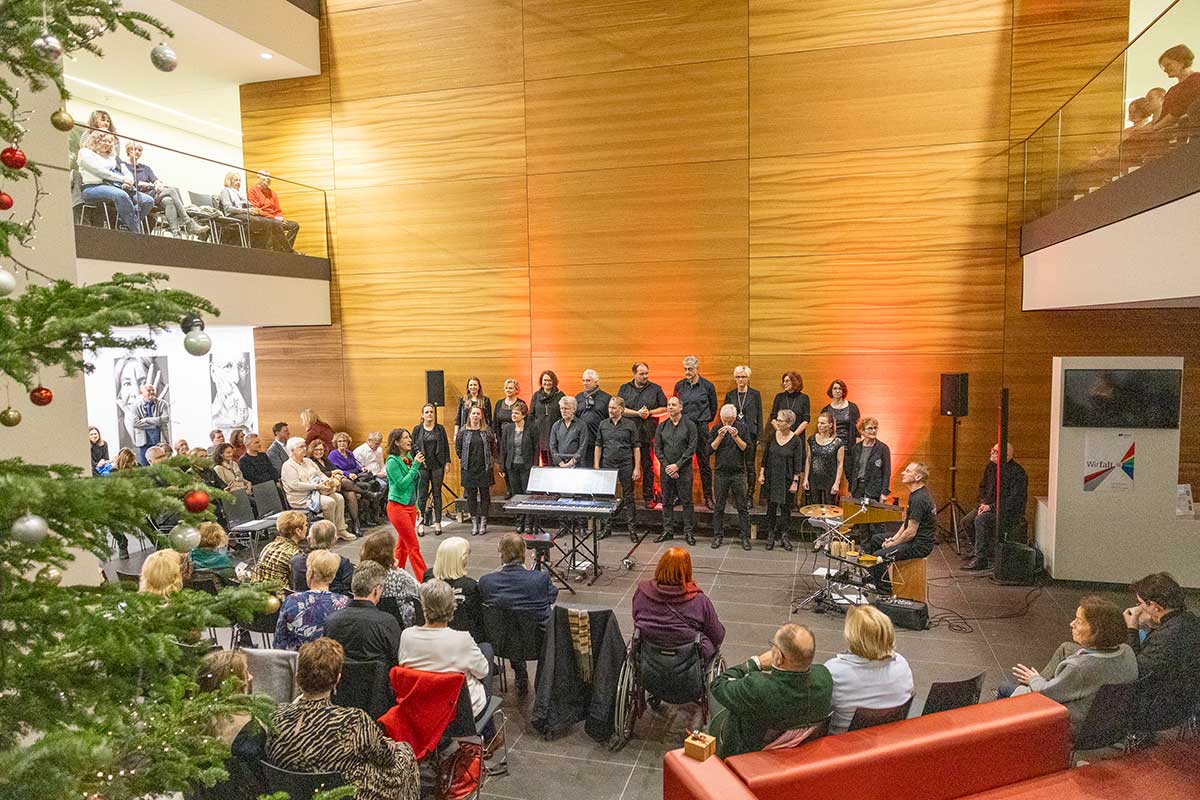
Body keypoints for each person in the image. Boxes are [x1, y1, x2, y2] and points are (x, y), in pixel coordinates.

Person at [267, 638, 419, 800]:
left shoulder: (276, 715)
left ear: (298, 677)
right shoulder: (353, 720)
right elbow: (386, 758)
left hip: (290, 792)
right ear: (337, 678)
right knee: (404, 753)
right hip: (341, 793)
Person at [1003, 596, 1137, 738]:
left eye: (1079, 622)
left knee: (1006, 688)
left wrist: (1034, 678)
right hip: (1111, 725)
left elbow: (1044, 693)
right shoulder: (1128, 651)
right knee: (1066, 648)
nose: (1071, 624)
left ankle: (1003, 737)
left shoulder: (1079, 668)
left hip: (1074, 727)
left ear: (1097, 630)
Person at [708, 623, 832, 758]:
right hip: (799, 754)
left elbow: (718, 685)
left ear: (778, 656)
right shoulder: (824, 677)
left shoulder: (757, 687)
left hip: (747, 757)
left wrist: (756, 663)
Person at [478, 534, 558, 696]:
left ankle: (520, 672)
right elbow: (552, 596)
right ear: (524, 553)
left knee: (512, 624)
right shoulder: (540, 578)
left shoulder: (487, 581)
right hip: (538, 642)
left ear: (501, 554)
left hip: (501, 643)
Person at [399, 580, 492, 717]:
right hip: (459, 716)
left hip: (421, 710)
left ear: (423, 608)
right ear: (452, 608)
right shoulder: (462, 640)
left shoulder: (407, 636)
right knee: (486, 649)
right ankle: (489, 733)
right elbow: (483, 672)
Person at [824, 604, 913, 734]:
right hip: (888, 742)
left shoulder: (834, 671)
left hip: (842, 747)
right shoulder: (901, 664)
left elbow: (818, 711)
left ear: (852, 637)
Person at [1124, 572, 1200, 721]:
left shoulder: (1166, 636)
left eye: (1141, 603)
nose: (1139, 607)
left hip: (1161, 707)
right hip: (1189, 697)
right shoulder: (1192, 621)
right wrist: (1155, 624)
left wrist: (1132, 627)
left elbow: (1135, 670)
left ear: (1154, 606)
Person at [195, 650, 267, 800]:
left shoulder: (191, 721)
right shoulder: (249, 731)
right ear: (235, 685)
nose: (251, 677)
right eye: (247, 672)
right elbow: (261, 780)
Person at [632, 547, 724, 663]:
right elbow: (717, 635)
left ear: (660, 566)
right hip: (689, 662)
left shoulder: (642, 592)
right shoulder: (699, 600)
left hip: (649, 657)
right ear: (687, 570)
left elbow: (636, 618)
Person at [118, 140, 209, 239]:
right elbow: (133, 182)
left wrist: (158, 184)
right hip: (137, 194)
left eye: (140, 150)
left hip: (152, 194)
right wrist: (152, 186)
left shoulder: (145, 168)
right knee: (171, 191)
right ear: (129, 150)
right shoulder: (123, 165)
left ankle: (176, 233)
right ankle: (188, 223)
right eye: (135, 149)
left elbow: (155, 179)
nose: (138, 152)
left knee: (169, 201)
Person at [867, 463, 936, 592]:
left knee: (877, 558)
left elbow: (911, 532)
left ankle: (885, 593)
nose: (903, 473)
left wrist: (893, 544)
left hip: (919, 545)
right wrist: (894, 539)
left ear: (918, 477)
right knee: (876, 539)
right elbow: (906, 524)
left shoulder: (919, 499)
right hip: (913, 539)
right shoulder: (915, 494)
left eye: (907, 471)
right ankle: (876, 579)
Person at [324, 562, 405, 668]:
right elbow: (397, 659)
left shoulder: (331, 621)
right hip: (378, 682)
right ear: (376, 590)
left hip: (341, 682)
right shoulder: (387, 622)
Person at [963, 443, 1029, 571]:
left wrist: (991, 507)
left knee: (980, 520)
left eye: (995, 451)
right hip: (988, 507)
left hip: (1008, 511)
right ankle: (981, 550)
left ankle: (981, 559)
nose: (991, 452)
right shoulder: (991, 467)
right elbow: (983, 487)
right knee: (966, 521)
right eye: (992, 450)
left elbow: (1014, 500)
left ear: (1006, 455)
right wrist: (982, 503)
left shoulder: (1018, 472)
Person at [77, 130, 153, 233]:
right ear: (95, 140)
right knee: (121, 195)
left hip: (114, 186)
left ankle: (123, 223)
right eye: (104, 141)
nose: (108, 144)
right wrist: (122, 179)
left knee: (147, 201)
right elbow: (100, 172)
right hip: (92, 187)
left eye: (110, 142)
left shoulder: (111, 157)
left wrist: (128, 181)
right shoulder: (85, 152)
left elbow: (126, 171)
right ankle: (136, 232)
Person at [276, 550, 352, 651]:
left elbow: (279, 639)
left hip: (298, 661)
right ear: (333, 577)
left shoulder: (292, 600)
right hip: (332, 662)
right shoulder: (345, 603)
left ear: (310, 573)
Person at [280, 436, 352, 541]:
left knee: (339, 497)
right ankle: (329, 534)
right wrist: (316, 486)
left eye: (304, 446)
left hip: (317, 493)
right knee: (329, 502)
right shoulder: (288, 466)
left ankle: (340, 529)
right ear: (292, 450)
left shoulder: (308, 461)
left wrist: (328, 482)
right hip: (301, 498)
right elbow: (295, 485)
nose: (304, 449)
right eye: (301, 447)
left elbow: (320, 474)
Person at [618, 362, 668, 508]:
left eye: (647, 373)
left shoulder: (656, 389)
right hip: (629, 435)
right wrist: (637, 413)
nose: (645, 376)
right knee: (629, 467)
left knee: (648, 466)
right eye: (641, 374)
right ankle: (628, 498)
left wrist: (650, 413)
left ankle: (648, 497)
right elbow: (620, 408)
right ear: (634, 374)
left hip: (648, 435)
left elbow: (665, 408)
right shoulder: (624, 388)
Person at [595, 396, 642, 540]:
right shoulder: (603, 424)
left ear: (621, 409)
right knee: (607, 496)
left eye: (614, 408)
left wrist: (637, 468)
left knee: (628, 496)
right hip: (608, 463)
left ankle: (632, 529)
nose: (610, 410)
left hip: (626, 463)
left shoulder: (630, 425)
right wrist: (596, 465)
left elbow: (636, 447)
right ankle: (607, 527)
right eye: (609, 407)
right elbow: (598, 445)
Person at [675, 356, 718, 507]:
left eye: (690, 369)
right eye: (685, 369)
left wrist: (704, 420)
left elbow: (713, 408)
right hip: (684, 428)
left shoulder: (708, 386)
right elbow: (676, 406)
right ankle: (679, 496)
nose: (688, 372)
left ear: (697, 369)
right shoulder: (679, 386)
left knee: (704, 462)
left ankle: (708, 497)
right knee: (681, 462)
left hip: (701, 427)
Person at [422, 536, 484, 641]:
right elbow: (477, 620)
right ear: (462, 559)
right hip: (463, 639)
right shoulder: (470, 586)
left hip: (431, 635)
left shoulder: (428, 577)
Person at [655, 397, 698, 545]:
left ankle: (689, 532)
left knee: (687, 501)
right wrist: (668, 466)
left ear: (681, 407)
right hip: (666, 470)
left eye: (673, 405)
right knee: (666, 501)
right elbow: (657, 449)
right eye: (668, 405)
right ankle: (667, 531)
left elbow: (691, 448)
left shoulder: (690, 426)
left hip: (683, 470)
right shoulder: (661, 426)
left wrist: (677, 466)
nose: (670, 407)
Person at [385, 427, 427, 577]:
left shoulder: (409, 456)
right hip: (397, 507)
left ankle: (396, 575)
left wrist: (416, 506)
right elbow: (402, 484)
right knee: (413, 545)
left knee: (402, 545)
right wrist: (415, 466)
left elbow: (412, 486)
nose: (410, 440)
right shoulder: (392, 462)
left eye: (409, 437)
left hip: (410, 506)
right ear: (396, 442)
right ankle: (424, 579)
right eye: (405, 438)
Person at [759, 409, 803, 552]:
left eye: (780, 420)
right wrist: (762, 474)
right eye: (777, 420)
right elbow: (765, 457)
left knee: (785, 509)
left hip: (787, 478)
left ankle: (784, 535)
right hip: (772, 476)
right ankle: (770, 535)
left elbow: (798, 462)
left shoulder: (796, 440)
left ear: (789, 423)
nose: (777, 422)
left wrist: (795, 481)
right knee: (771, 508)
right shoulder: (772, 435)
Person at [709, 404, 751, 550]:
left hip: (738, 473)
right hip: (721, 473)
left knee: (742, 507)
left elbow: (746, 448)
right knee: (719, 506)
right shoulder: (716, 428)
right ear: (721, 418)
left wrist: (735, 436)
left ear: (734, 418)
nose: (727, 424)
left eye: (730, 421)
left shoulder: (743, 428)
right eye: (725, 421)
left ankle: (744, 537)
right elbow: (710, 450)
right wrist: (720, 436)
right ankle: (717, 536)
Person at [361, 530, 422, 629]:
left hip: (371, 624)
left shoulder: (361, 575)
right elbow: (420, 591)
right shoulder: (398, 577)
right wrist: (398, 569)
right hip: (400, 625)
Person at [310, 438, 369, 536]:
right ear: (312, 450)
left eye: (321, 449)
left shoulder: (325, 459)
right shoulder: (311, 461)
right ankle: (367, 494)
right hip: (324, 488)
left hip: (336, 485)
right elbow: (319, 474)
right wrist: (334, 473)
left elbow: (336, 469)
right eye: (317, 450)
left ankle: (355, 524)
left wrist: (338, 474)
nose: (319, 452)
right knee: (346, 483)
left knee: (351, 494)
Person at [218, 171, 291, 250]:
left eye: (239, 180)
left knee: (270, 221)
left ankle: (278, 249)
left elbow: (249, 205)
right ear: (229, 181)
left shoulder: (239, 193)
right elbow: (228, 208)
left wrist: (253, 209)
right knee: (266, 222)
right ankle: (269, 249)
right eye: (236, 180)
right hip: (233, 215)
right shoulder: (225, 191)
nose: (238, 182)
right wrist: (246, 211)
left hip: (244, 214)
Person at [455, 405, 496, 536]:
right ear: (469, 415)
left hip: (484, 467)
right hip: (469, 468)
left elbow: (493, 446)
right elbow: (458, 448)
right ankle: (474, 522)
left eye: (478, 414)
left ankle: (483, 521)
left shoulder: (487, 430)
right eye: (473, 414)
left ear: (481, 416)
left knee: (485, 495)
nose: (475, 416)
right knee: (471, 496)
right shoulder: (463, 431)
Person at [725, 366, 763, 506]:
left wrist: (759, 435)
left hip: (750, 435)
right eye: (738, 377)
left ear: (748, 378)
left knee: (750, 466)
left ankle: (749, 496)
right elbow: (725, 413)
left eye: (744, 377)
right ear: (735, 379)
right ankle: (737, 496)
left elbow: (759, 415)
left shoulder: (755, 394)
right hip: (734, 434)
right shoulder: (730, 395)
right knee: (736, 466)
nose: (741, 379)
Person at [411, 405, 450, 535]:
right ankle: (420, 523)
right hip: (422, 466)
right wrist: (415, 459)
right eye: (426, 412)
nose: (429, 414)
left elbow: (445, 446)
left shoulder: (440, 428)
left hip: (437, 465)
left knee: (437, 493)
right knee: (422, 495)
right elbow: (412, 446)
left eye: (431, 412)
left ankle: (438, 522)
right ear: (422, 415)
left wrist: (447, 462)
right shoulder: (417, 429)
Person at [499, 400, 536, 534]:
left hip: (527, 467)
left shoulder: (531, 428)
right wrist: (502, 467)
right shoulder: (508, 429)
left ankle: (528, 523)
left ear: (524, 415)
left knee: (528, 495)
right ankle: (519, 522)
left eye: (516, 413)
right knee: (516, 495)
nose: (513, 415)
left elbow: (535, 448)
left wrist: (535, 467)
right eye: (512, 413)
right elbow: (503, 449)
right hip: (512, 466)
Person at [290, 519, 355, 595]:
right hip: (335, 605)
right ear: (334, 540)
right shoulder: (342, 563)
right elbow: (348, 591)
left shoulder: (296, 561)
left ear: (309, 539)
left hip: (301, 604)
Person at [246, 171, 299, 252]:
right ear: (258, 178)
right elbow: (256, 210)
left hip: (275, 219)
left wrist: (280, 217)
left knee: (294, 225)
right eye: (265, 176)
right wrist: (274, 218)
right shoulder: (253, 191)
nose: (268, 179)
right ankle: (289, 250)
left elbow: (278, 209)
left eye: (269, 177)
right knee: (274, 223)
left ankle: (283, 250)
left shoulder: (272, 193)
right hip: (264, 219)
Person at [251, 510, 307, 585]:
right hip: (280, 594)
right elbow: (299, 582)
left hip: (259, 592)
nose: (307, 528)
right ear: (298, 531)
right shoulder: (295, 554)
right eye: (305, 525)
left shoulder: (269, 546)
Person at [804, 411, 845, 507]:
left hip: (829, 479)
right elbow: (808, 459)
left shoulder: (838, 442)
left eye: (822, 423)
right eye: (818, 423)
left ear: (830, 425)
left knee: (829, 507)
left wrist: (837, 483)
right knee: (814, 506)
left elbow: (840, 463)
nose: (819, 425)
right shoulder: (812, 440)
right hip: (814, 478)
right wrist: (806, 478)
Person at [846, 417, 891, 503]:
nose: (873, 431)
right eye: (870, 428)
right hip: (857, 489)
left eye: (875, 428)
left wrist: (884, 493)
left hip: (874, 490)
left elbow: (886, 472)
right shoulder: (856, 448)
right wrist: (850, 489)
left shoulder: (883, 448)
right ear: (862, 431)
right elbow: (851, 470)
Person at [492, 379, 524, 496]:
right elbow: (495, 421)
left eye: (511, 388)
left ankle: (517, 491)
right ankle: (509, 489)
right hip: (501, 438)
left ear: (516, 390)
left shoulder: (520, 403)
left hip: (515, 437)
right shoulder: (499, 403)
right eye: (506, 388)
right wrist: (495, 436)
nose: (508, 390)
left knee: (513, 463)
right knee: (504, 464)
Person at [530, 369, 565, 466]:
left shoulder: (560, 395)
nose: (547, 383)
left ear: (554, 381)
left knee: (554, 461)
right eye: (545, 380)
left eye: (549, 380)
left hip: (555, 433)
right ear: (541, 381)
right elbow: (531, 415)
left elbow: (563, 415)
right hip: (539, 433)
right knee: (543, 461)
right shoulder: (536, 396)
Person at [575, 369, 612, 457]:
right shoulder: (578, 397)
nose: (585, 383)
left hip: (600, 440)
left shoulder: (606, 398)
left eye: (588, 380)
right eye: (583, 380)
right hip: (582, 440)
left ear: (596, 382)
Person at [131, 383, 170, 465]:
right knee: (145, 467)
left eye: (153, 390)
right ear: (143, 392)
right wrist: (155, 424)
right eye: (149, 390)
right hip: (144, 443)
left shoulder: (163, 404)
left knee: (162, 466)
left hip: (160, 441)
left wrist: (146, 420)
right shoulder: (135, 406)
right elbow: (135, 423)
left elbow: (165, 419)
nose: (152, 392)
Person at [821, 379, 860, 457]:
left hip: (848, 447)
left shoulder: (852, 407)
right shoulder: (826, 410)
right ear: (831, 391)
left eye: (840, 388)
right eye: (835, 388)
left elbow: (857, 430)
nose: (837, 391)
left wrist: (858, 448)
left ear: (843, 391)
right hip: (831, 448)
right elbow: (822, 431)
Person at [549, 394, 587, 467]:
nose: (563, 411)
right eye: (561, 408)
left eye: (566, 409)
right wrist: (560, 463)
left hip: (577, 465)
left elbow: (582, 447)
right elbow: (552, 446)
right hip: (560, 465)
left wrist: (571, 462)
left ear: (573, 409)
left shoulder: (582, 425)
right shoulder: (556, 425)